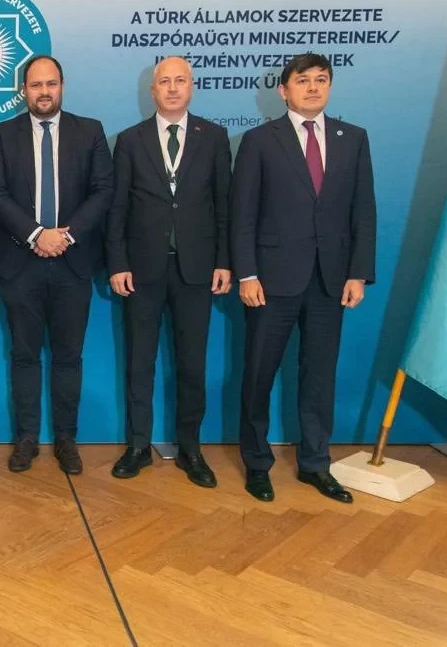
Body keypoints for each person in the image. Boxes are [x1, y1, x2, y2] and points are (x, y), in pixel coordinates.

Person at [230, 52, 376, 503]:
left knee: (319, 377)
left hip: (330, 281)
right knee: (259, 374)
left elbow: (364, 211)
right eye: (303, 80)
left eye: (321, 79)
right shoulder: (259, 140)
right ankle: (257, 464)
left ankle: (316, 464)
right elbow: (242, 214)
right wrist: (247, 273)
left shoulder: (353, 138)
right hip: (271, 281)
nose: (313, 87)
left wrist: (358, 273)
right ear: (284, 90)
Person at [0, 55, 114, 474]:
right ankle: (26, 439)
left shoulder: (90, 131)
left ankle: (66, 439)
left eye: (51, 84)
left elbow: (103, 190)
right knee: (23, 355)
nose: (44, 92)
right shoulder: (2, 134)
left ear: (62, 86)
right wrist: (38, 234)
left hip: (73, 264)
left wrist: (65, 237)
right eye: (36, 85)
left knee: (68, 356)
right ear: (23, 90)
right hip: (20, 262)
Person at [105, 56, 232, 487]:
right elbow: (117, 208)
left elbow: (224, 204)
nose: (173, 88)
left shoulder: (213, 137)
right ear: (152, 90)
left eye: (180, 80)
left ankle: (190, 449)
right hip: (142, 271)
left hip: (197, 270)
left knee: (191, 365)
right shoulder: (130, 140)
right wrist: (118, 262)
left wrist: (225, 261)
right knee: (139, 363)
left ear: (191, 87)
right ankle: (138, 446)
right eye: (165, 81)